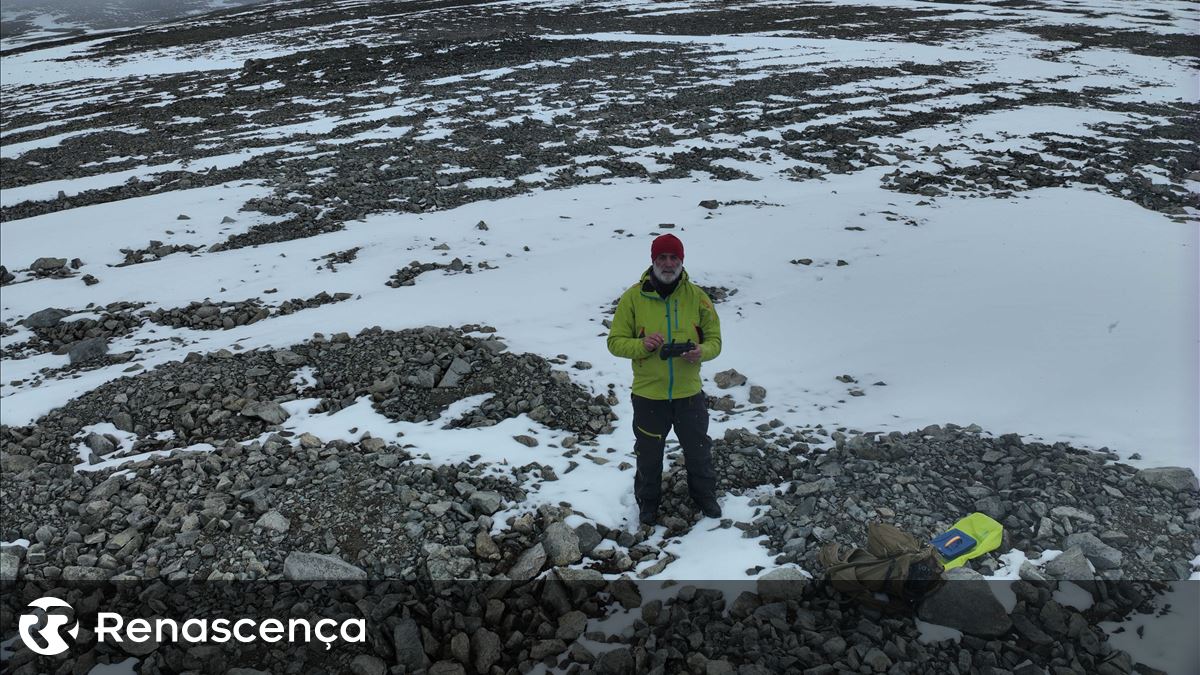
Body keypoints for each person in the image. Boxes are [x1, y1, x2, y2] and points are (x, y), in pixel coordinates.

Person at [607, 233, 723, 526]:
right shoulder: (633, 297)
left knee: (698, 451)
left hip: (689, 394)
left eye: (674, 258)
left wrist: (701, 351)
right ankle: (647, 505)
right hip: (649, 395)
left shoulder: (697, 297)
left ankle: (705, 497)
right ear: (653, 261)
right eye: (662, 258)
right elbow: (615, 341)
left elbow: (715, 341)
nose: (668, 264)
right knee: (648, 456)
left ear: (682, 261)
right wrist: (641, 345)